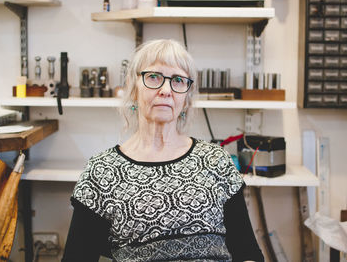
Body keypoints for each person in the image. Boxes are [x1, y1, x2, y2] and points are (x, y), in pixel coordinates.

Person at [62, 39, 264, 262]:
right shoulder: (102, 171)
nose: (166, 90)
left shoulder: (216, 161)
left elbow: (248, 253)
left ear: (186, 98)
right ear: (133, 87)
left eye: (178, 80)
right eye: (154, 77)